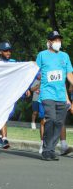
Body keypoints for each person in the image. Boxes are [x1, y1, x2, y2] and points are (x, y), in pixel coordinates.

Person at [36, 30, 73, 161]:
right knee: (50, 119)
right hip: (47, 94)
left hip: (61, 96)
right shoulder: (42, 55)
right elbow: (35, 70)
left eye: (59, 39)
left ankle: (51, 149)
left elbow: (69, 74)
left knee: (59, 123)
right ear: (49, 42)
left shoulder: (65, 56)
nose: (58, 42)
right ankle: (46, 150)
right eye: (55, 40)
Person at [0, 41, 17, 149]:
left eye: (9, 50)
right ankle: (4, 139)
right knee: (3, 115)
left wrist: (27, 88)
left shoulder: (14, 62)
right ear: (0, 52)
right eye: (5, 51)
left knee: (7, 115)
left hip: (11, 94)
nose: (8, 52)